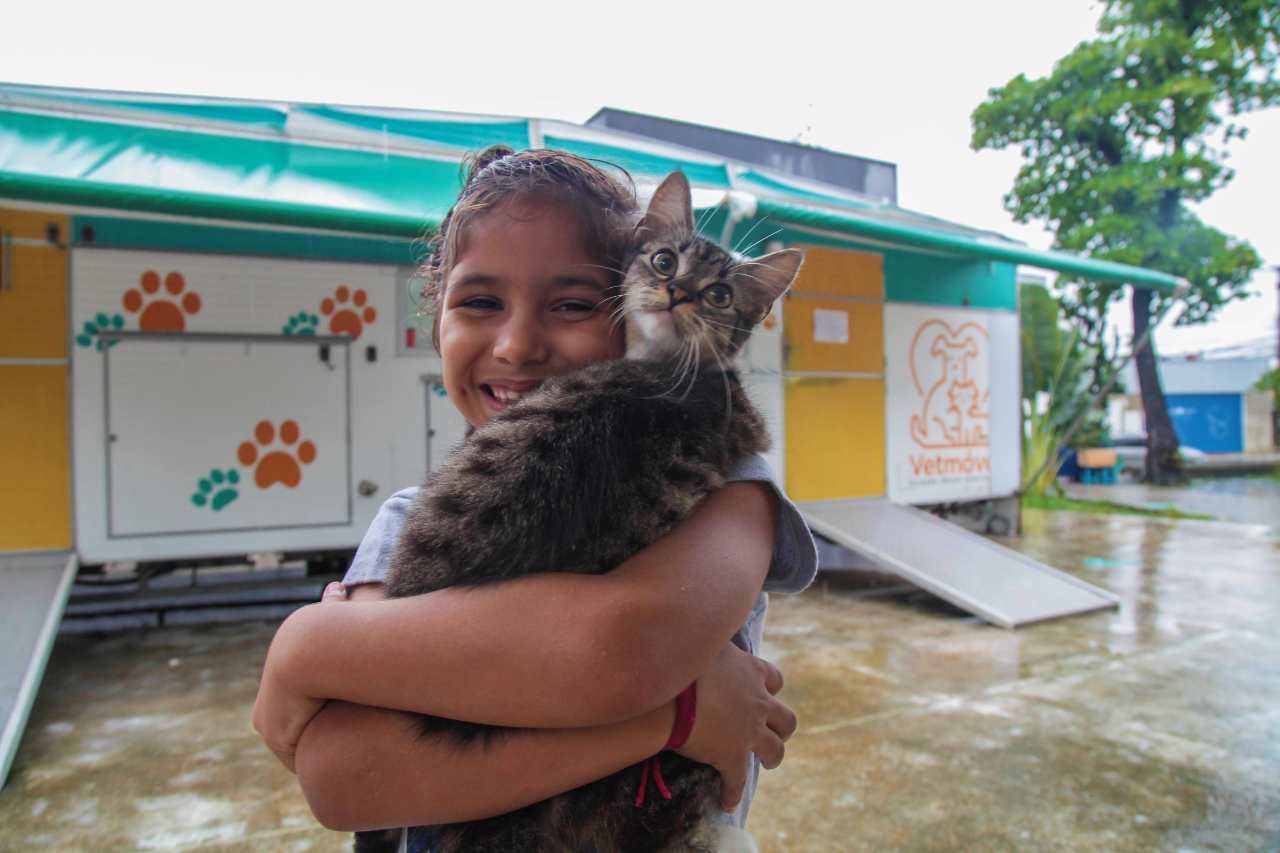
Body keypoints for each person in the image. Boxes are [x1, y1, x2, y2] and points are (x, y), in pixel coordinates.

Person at [252, 147, 818, 847]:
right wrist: (682, 712)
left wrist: (314, 644)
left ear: (623, 309)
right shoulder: (403, 520)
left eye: (573, 304)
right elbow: (345, 772)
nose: (517, 345)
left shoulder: (729, 486)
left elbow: (627, 646)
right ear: (435, 322)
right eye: (480, 301)